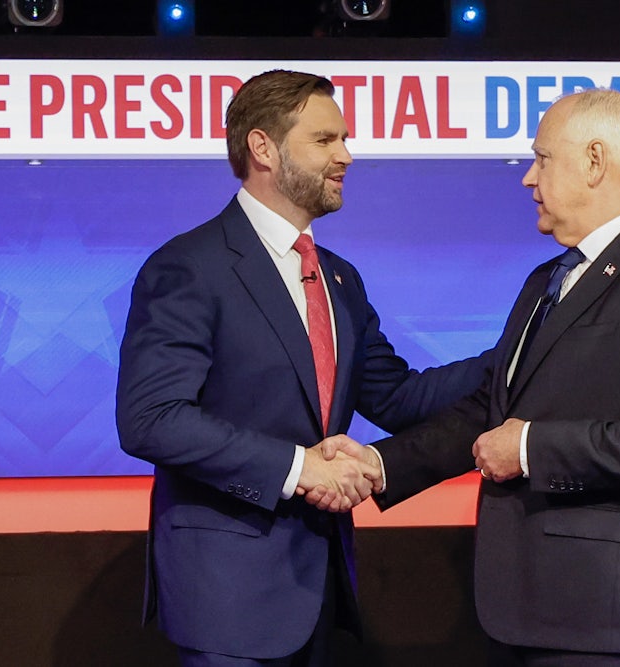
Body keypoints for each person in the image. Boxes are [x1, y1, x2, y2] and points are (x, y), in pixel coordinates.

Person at [315, 88, 620, 665]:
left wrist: (530, 448)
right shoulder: (546, 280)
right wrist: (379, 464)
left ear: (594, 161)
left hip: (609, 623)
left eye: (542, 158)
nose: (529, 178)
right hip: (532, 614)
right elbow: (491, 407)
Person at [114, 69, 487, 667]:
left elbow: (397, 397)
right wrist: (298, 468)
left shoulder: (339, 276)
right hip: (227, 598)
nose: (346, 156)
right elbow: (151, 420)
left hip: (318, 589)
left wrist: (521, 353)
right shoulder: (190, 266)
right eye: (325, 140)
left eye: (344, 139)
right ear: (263, 147)